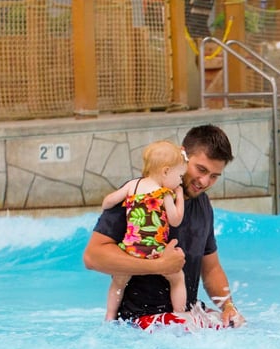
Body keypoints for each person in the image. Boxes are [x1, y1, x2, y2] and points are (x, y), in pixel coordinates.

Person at [83, 124, 246, 329]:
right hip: (140, 319)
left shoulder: (203, 205)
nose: (205, 181)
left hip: (185, 314)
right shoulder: (140, 196)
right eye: (201, 169)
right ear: (182, 156)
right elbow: (93, 257)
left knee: (238, 325)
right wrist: (158, 266)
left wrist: (228, 306)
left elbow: (211, 268)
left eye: (214, 176)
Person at [99, 140, 188, 321]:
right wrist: (179, 197)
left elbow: (107, 202)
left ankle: (110, 316)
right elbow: (175, 220)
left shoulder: (133, 185)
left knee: (118, 283)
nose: (181, 181)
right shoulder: (164, 193)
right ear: (165, 171)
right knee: (178, 278)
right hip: (155, 251)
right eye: (180, 176)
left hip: (130, 250)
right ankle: (179, 315)